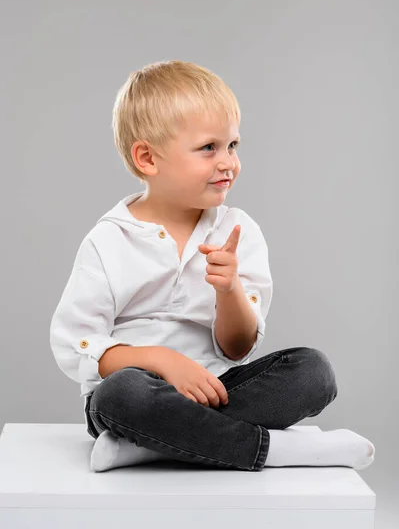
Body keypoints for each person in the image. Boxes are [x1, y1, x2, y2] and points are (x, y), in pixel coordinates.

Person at [49, 60, 375, 472]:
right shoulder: (109, 240)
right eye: (209, 148)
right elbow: (75, 342)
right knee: (123, 395)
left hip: (219, 390)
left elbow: (237, 348)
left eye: (232, 145)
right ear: (148, 158)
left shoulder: (238, 230)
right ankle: (272, 451)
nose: (228, 162)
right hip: (138, 394)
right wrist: (161, 360)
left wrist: (230, 289)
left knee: (313, 372)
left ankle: (152, 445)